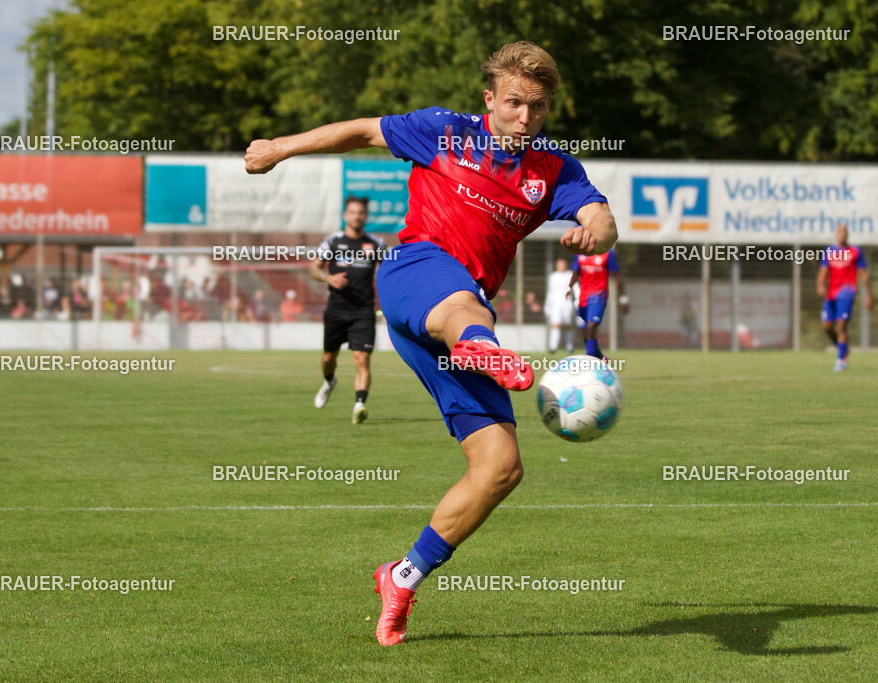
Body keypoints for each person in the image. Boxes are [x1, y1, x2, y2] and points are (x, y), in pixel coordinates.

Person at [245, 40, 616, 646]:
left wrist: (593, 234)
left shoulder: (555, 170)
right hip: (417, 271)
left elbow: (602, 219)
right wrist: (280, 148)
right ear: (490, 98)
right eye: (516, 103)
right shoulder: (442, 131)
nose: (527, 117)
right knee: (467, 308)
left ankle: (402, 576)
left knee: (500, 468)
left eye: (540, 107)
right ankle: (480, 344)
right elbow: (363, 130)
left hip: (460, 316)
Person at [309, 196, 387, 423]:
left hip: (363, 311)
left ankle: (359, 405)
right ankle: (329, 381)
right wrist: (328, 277)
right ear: (346, 216)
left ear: (365, 216)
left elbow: (387, 273)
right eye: (353, 212)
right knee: (327, 357)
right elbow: (314, 268)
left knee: (362, 359)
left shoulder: (376, 244)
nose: (357, 216)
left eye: (361, 213)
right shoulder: (332, 242)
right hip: (336, 310)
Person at [817, 223, 872, 371]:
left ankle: (841, 360)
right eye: (839, 231)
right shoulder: (829, 251)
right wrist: (821, 285)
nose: (842, 234)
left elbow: (864, 274)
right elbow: (823, 270)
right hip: (831, 293)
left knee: (841, 325)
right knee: (827, 326)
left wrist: (868, 295)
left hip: (847, 291)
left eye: (844, 231)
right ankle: (843, 347)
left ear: (847, 234)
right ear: (836, 234)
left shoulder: (855, 251)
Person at [568, 247, 624, 359]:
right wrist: (573, 291)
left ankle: (590, 357)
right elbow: (576, 275)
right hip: (583, 296)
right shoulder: (579, 254)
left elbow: (616, 277)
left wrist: (623, 298)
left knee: (591, 325)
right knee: (583, 326)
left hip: (599, 295)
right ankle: (599, 357)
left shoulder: (608, 254)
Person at [544, 258, 577, 353]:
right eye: (559, 264)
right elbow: (550, 292)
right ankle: (553, 347)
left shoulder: (570, 274)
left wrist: (576, 301)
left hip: (567, 304)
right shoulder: (553, 276)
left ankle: (570, 347)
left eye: (563, 264)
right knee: (556, 325)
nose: (561, 266)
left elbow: (575, 289)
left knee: (568, 325)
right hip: (556, 304)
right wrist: (548, 306)